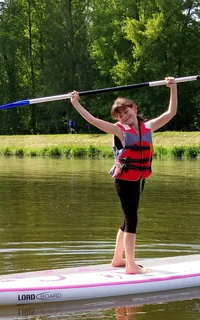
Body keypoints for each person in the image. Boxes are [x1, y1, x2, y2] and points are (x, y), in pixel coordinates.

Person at [70, 77, 178, 274]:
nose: (124, 117)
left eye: (126, 112)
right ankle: (131, 265)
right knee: (132, 219)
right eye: (120, 116)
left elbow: (171, 112)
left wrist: (173, 88)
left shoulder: (149, 127)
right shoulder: (120, 131)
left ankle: (118, 259)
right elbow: (93, 121)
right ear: (117, 120)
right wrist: (76, 104)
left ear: (134, 109)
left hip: (136, 179)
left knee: (127, 219)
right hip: (123, 181)